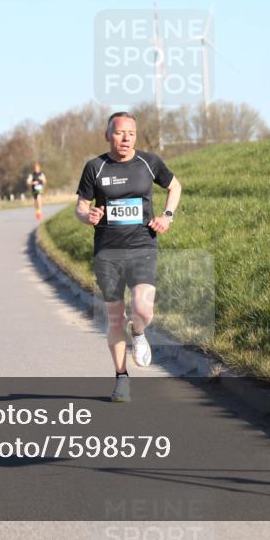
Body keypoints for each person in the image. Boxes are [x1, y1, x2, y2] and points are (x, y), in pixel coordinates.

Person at [75, 112, 182, 402]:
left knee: (143, 310)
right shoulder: (95, 167)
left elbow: (175, 186)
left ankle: (139, 331)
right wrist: (88, 216)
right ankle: (121, 377)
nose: (126, 138)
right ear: (107, 135)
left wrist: (167, 216)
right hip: (107, 252)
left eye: (131, 133)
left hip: (142, 246)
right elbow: (81, 207)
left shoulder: (149, 162)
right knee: (114, 319)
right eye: (120, 133)